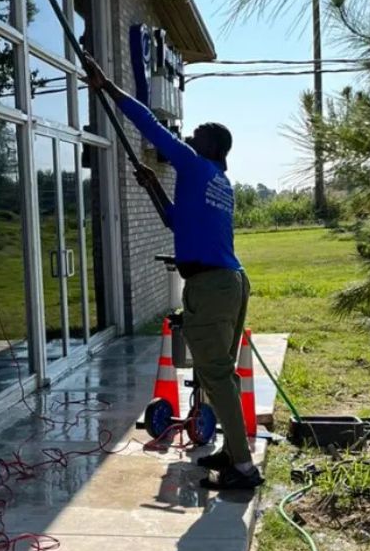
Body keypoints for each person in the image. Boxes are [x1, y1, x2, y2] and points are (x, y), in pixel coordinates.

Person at [82, 53, 261, 489]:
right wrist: (154, 187)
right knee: (220, 375)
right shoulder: (219, 182)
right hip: (230, 282)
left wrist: (107, 86)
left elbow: (150, 126)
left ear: (212, 147)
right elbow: (176, 223)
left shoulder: (198, 166)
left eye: (197, 135)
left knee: (215, 375)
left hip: (213, 286)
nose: (190, 135)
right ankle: (233, 452)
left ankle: (242, 468)